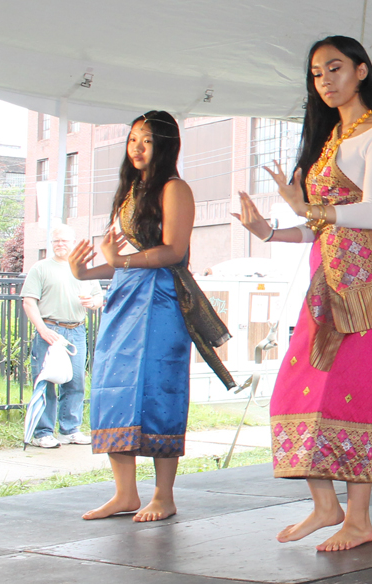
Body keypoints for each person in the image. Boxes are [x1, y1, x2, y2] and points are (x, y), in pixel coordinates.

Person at [232, 35, 372, 552]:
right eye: (315, 73)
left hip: (368, 286)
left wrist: (308, 207)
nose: (324, 80)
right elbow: (320, 228)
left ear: (361, 70)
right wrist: (269, 231)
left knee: (353, 394)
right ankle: (325, 504)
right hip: (325, 283)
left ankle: (359, 519)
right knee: (293, 387)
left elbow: (371, 214)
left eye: (334, 68)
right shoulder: (331, 139)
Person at [68, 111, 233, 523]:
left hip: (160, 298)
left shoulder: (174, 188)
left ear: (166, 145)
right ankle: (125, 494)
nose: (138, 148)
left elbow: (173, 251)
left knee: (158, 389)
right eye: (133, 140)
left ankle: (164, 495)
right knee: (113, 387)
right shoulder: (129, 192)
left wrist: (120, 261)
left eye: (147, 140)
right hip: (124, 300)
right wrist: (86, 272)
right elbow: (120, 261)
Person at [21, 223, 103, 448]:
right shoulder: (40, 268)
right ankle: (43, 433)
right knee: (47, 380)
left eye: (64, 241)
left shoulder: (83, 268)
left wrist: (92, 302)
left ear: (73, 243)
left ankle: (70, 430)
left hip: (76, 330)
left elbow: (98, 298)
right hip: (50, 329)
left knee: (76, 381)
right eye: (56, 240)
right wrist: (42, 330)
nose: (59, 244)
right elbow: (29, 302)